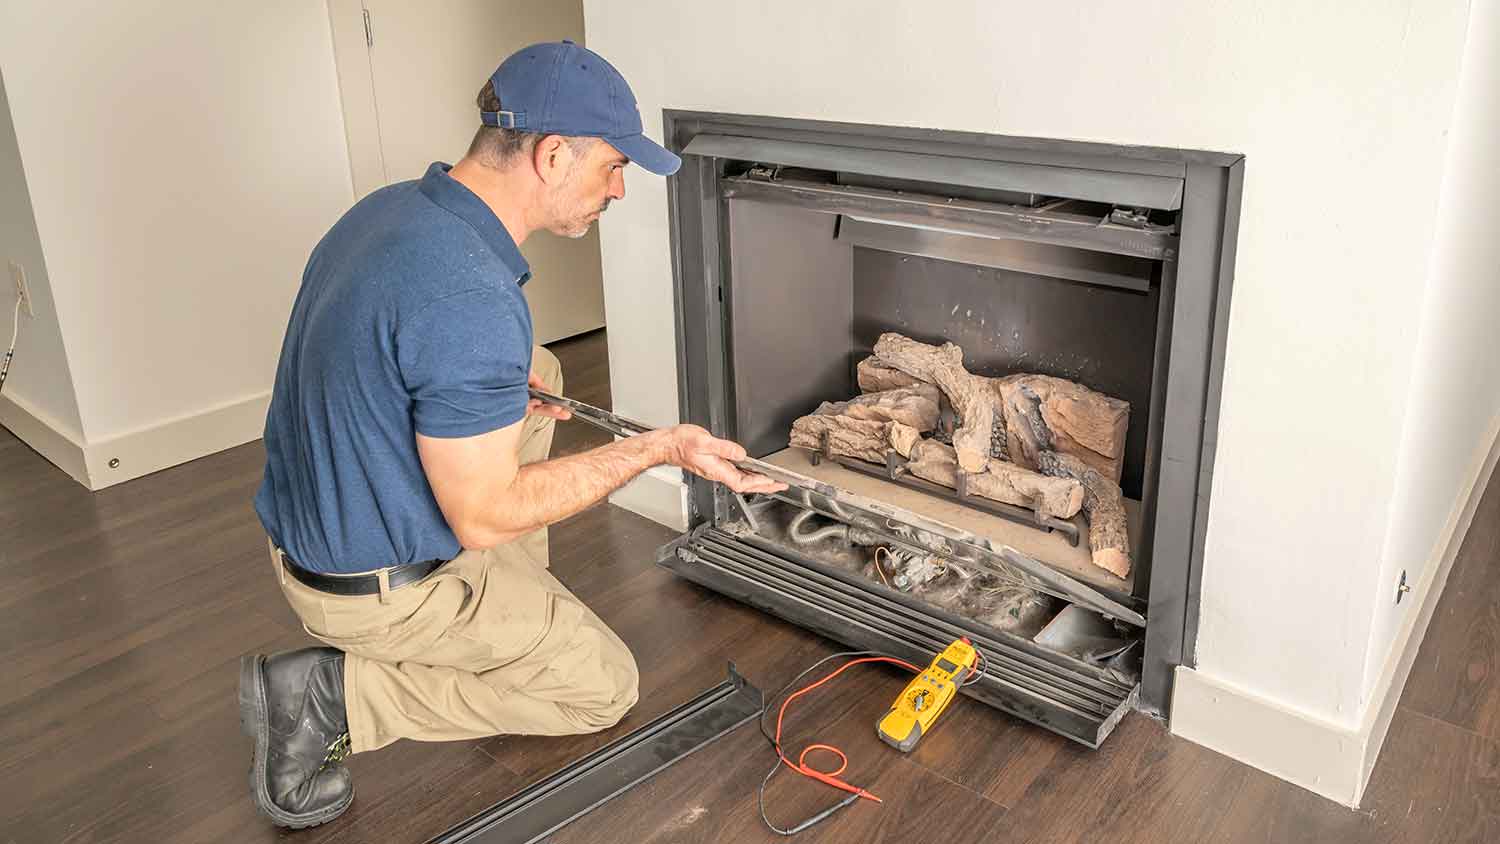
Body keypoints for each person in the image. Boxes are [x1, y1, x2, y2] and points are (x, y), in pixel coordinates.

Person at [238, 40, 783, 829]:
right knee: (601, 687)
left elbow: (401, 361)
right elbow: (484, 516)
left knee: (540, 371)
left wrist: (480, 399)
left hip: (311, 529)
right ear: (554, 154)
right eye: (614, 166)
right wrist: (658, 448)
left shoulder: (395, 211)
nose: (620, 190)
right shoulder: (468, 297)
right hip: (374, 594)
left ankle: (508, 607)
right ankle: (333, 695)